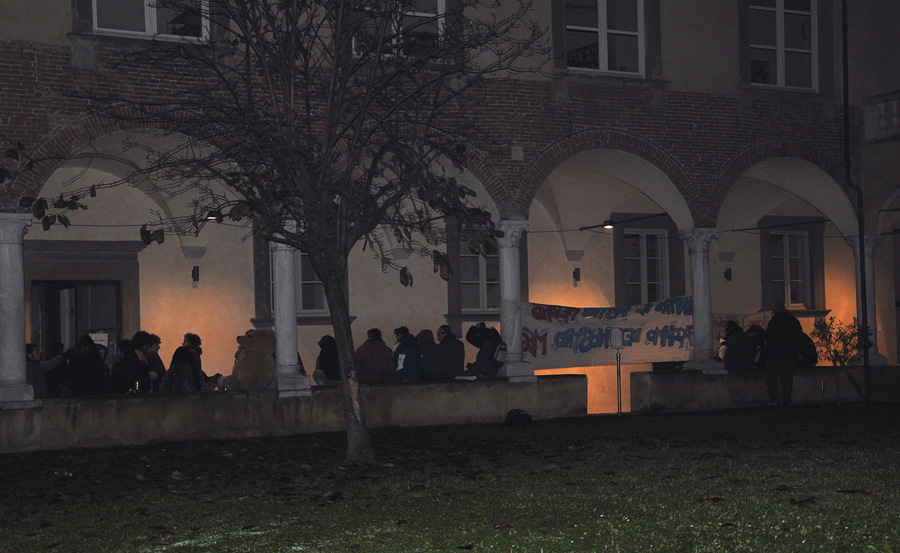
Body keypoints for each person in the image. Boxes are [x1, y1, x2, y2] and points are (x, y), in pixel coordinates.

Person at [764, 301, 804, 407]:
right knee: (787, 380)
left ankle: (774, 399)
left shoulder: (774, 321)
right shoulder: (793, 321)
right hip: (789, 356)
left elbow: (769, 338)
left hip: (775, 355)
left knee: (771, 378)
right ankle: (786, 400)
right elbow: (799, 338)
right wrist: (799, 353)